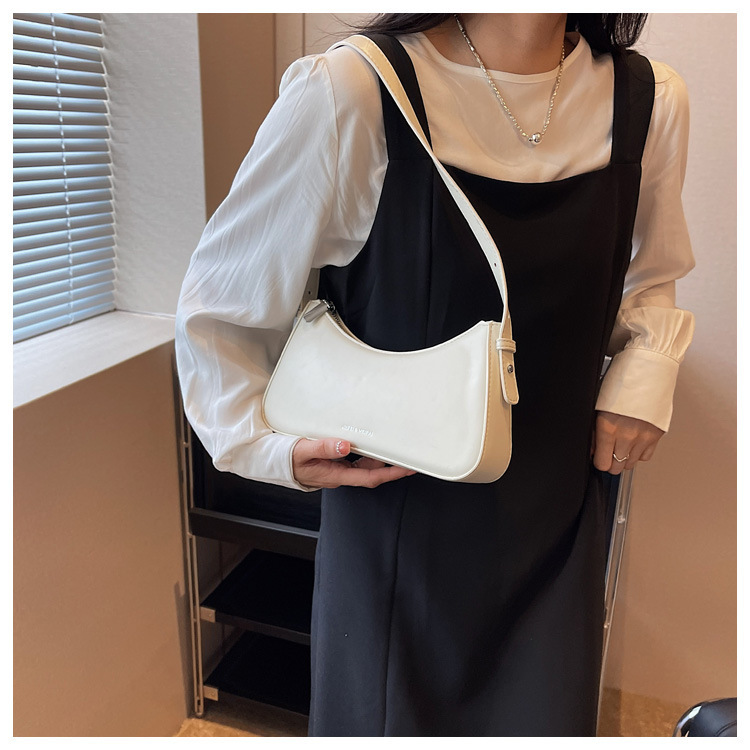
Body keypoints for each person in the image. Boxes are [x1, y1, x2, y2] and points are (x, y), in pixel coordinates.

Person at [175, 13, 695, 736]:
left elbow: (650, 276)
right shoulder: (353, 90)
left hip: (558, 521)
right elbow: (222, 307)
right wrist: (265, 446)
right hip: (395, 525)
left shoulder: (648, 103)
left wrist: (646, 372)